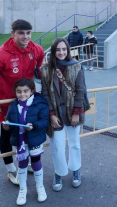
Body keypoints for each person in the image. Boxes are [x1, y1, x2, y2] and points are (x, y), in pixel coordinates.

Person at [0, 19, 45, 185]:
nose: (25, 37)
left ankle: (27, 161)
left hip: (29, 102)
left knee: (29, 131)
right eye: (21, 33)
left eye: (28, 33)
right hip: (8, 103)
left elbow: (41, 69)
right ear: (13, 34)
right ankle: (10, 170)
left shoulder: (36, 49)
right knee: (7, 134)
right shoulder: (0, 54)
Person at [40, 38, 87, 192]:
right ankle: (59, 172)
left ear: (68, 50)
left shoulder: (76, 66)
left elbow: (80, 91)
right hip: (55, 113)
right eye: (58, 50)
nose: (61, 52)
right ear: (53, 52)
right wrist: (51, 115)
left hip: (72, 111)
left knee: (74, 143)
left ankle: (76, 170)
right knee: (57, 146)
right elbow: (45, 94)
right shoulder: (46, 69)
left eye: (64, 49)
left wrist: (76, 113)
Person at [3, 78, 49, 205]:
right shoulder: (13, 106)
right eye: (19, 91)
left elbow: (45, 121)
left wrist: (34, 125)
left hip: (34, 139)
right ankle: (22, 190)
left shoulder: (40, 104)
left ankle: (40, 187)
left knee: (36, 161)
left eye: (25, 91)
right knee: (22, 163)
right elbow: (10, 123)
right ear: (15, 92)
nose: (22, 94)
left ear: (32, 91)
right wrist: (7, 126)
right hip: (21, 141)